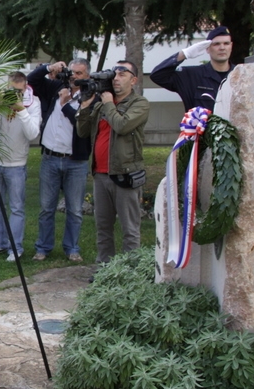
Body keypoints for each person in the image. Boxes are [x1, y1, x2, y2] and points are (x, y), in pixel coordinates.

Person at [76, 60, 150, 267]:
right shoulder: (101, 104)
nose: (115, 78)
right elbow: (82, 132)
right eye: (114, 74)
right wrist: (84, 106)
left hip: (124, 174)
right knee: (103, 228)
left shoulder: (139, 104)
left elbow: (122, 125)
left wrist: (108, 103)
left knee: (130, 229)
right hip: (100, 175)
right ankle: (104, 270)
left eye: (122, 74)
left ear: (133, 80)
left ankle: (129, 274)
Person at [27, 59, 92, 262]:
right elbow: (31, 80)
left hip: (76, 161)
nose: (74, 77)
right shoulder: (56, 87)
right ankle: (43, 247)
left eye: (79, 73)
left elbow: (83, 124)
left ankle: (72, 248)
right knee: (46, 208)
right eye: (72, 72)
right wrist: (49, 68)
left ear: (87, 76)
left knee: (75, 210)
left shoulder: (90, 96)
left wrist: (64, 105)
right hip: (50, 158)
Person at [0, 72, 41, 262]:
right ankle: (0, 243)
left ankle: (15, 247)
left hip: (16, 164)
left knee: (16, 207)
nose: (15, 94)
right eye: (11, 90)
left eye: (19, 91)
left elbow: (33, 134)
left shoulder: (33, 103)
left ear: (25, 87)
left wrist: (21, 110)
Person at [149, 26, 234, 112]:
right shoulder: (192, 75)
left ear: (231, 46)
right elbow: (157, 76)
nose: (222, 48)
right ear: (207, 48)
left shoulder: (240, 75)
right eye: (216, 44)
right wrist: (184, 54)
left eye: (226, 43)